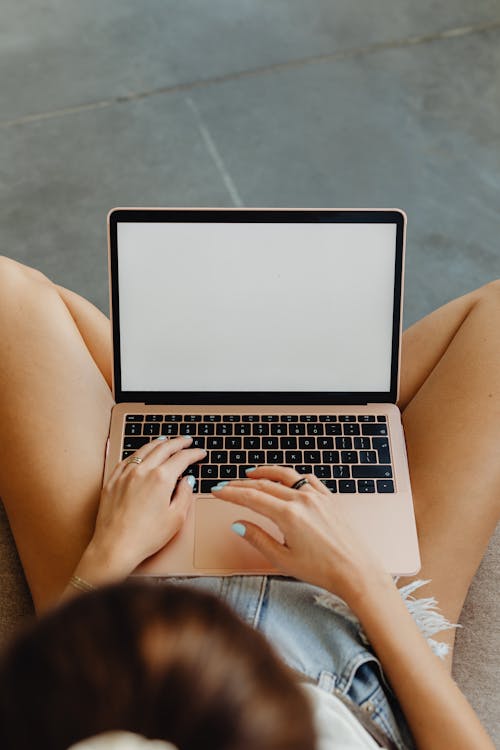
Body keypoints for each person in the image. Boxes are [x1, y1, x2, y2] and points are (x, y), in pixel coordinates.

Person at [0, 254, 497, 750]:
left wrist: (107, 553)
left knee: (12, 294)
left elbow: (37, 705)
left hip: (130, 646)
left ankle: (169, 391)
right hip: (358, 653)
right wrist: (360, 577)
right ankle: (220, 391)